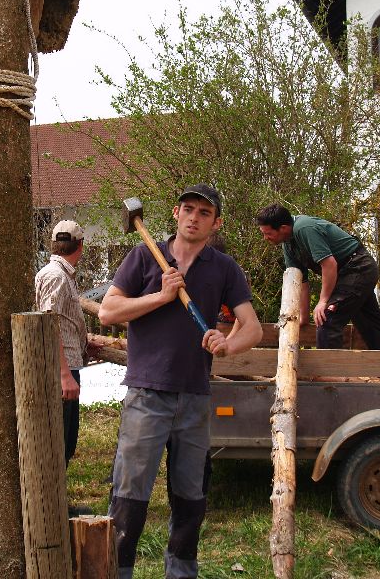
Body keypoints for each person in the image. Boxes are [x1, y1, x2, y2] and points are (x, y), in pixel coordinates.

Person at [99, 184, 262, 579]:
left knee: (191, 498)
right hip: (147, 394)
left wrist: (227, 344)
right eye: (188, 209)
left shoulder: (224, 268)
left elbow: (253, 328)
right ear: (175, 213)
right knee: (129, 496)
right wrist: (160, 296)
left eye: (204, 212)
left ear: (215, 223)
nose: (194, 217)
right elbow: (108, 312)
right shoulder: (143, 256)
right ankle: (118, 571)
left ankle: (181, 573)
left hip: (194, 398)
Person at [256, 203, 380, 350]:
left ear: (283, 228)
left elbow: (329, 264)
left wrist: (323, 301)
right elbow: (301, 282)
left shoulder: (304, 228)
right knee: (369, 323)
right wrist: (303, 318)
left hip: (358, 268)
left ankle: (328, 366)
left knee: (326, 319)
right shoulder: (288, 244)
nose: (265, 238)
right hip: (346, 274)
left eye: (268, 233)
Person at [34, 220, 101, 478]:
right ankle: (55, 498)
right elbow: (49, 324)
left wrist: (84, 344)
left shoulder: (60, 274)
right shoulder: (57, 276)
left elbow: (62, 323)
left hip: (67, 364)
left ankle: (59, 495)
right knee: (59, 445)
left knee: (66, 443)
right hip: (62, 371)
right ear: (80, 245)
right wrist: (64, 375)